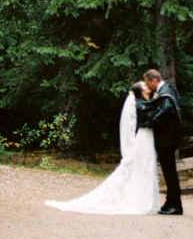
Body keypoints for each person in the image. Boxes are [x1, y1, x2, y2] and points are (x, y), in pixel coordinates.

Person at [44, 82, 160, 215]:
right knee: (141, 168)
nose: (147, 86)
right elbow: (136, 123)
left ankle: (149, 201)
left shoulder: (149, 101)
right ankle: (140, 201)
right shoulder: (138, 104)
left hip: (149, 138)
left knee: (148, 167)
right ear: (140, 91)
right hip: (142, 138)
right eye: (144, 86)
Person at [137, 68, 183, 215]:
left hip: (167, 139)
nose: (147, 86)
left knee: (169, 173)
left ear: (154, 81)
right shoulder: (169, 89)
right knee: (169, 172)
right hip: (169, 138)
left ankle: (175, 205)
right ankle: (170, 202)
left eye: (147, 83)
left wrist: (148, 123)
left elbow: (162, 115)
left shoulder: (165, 94)